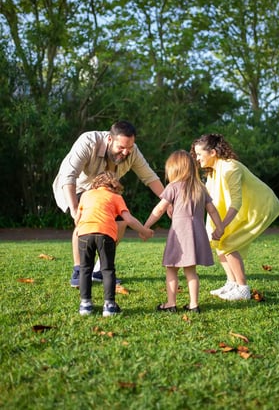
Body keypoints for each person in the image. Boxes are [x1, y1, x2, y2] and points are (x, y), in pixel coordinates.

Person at [52, 121, 164, 287]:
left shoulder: (132, 151)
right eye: (121, 147)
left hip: (106, 192)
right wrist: (75, 210)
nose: (126, 152)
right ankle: (79, 269)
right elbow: (69, 176)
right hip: (78, 187)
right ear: (110, 139)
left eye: (130, 147)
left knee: (120, 222)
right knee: (85, 221)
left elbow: (150, 177)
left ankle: (99, 270)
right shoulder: (88, 141)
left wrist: (168, 201)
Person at [191, 134, 279, 301]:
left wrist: (222, 226)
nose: (197, 159)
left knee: (228, 242)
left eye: (199, 154)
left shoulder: (230, 168)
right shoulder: (212, 172)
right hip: (240, 211)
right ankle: (231, 282)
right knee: (219, 242)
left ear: (212, 152)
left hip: (258, 209)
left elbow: (236, 202)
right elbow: (210, 199)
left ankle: (242, 288)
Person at [143, 150, 224, 313]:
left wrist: (145, 226)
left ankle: (171, 303)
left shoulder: (173, 187)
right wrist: (220, 228)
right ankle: (194, 305)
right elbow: (213, 210)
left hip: (180, 235)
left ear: (174, 169)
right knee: (191, 271)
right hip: (197, 233)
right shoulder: (200, 188)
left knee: (171, 268)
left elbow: (159, 210)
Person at [74, 172, 154, 316]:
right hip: (106, 234)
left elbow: (77, 218)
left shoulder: (86, 195)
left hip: (84, 234)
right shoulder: (116, 197)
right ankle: (109, 306)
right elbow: (128, 220)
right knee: (107, 269)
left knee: (85, 268)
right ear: (114, 186)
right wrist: (144, 231)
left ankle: (85, 305)